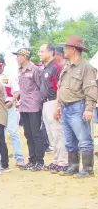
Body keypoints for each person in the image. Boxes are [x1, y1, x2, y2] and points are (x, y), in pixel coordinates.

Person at [56, 35, 97, 178]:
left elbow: (91, 89)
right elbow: (62, 87)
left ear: (73, 49)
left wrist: (89, 109)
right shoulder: (67, 66)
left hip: (78, 107)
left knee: (84, 139)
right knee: (69, 140)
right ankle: (73, 166)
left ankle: (88, 168)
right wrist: (59, 105)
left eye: (66, 47)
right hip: (66, 107)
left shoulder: (86, 67)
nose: (64, 50)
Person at [13, 48, 45, 171]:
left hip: (34, 105)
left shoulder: (35, 70)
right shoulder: (20, 70)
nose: (16, 58)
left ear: (25, 57)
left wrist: (39, 103)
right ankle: (32, 160)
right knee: (28, 133)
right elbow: (23, 89)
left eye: (18, 56)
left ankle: (40, 161)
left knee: (36, 133)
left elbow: (40, 87)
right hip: (24, 106)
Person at [38, 44, 68, 174]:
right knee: (51, 134)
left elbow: (58, 88)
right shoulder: (45, 68)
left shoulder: (55, 67)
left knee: (58, 132)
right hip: (45, 103)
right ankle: (56, 160)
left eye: (42, 51)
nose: (39, 54)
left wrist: (58, 105)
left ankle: (63, 161)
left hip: (53, 101)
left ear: (51, 52)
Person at [0, 57, 25, 167]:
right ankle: (1, 159)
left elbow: (16, 91)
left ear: (4, 65)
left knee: (13, 132)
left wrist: (12, 100)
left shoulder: (9, 76)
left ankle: (19, 158)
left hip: (8, 107)